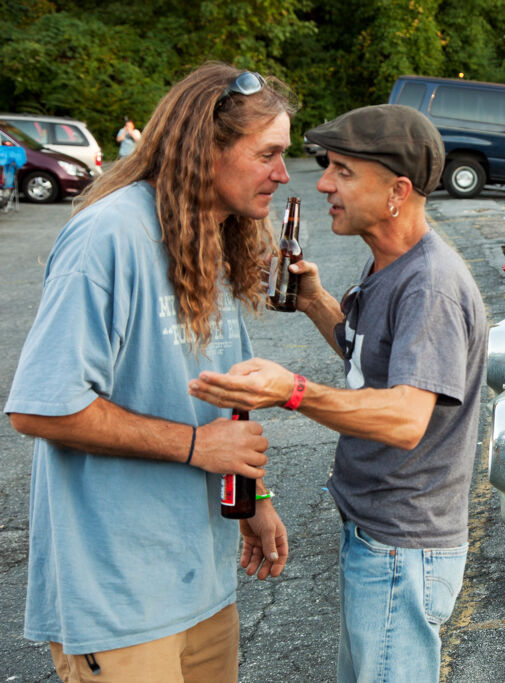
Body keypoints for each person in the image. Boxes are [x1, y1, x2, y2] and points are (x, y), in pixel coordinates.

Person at [5, 63, 294, 681]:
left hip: (201, 585)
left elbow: (225, 400)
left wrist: (254, 499)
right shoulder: (107, 236)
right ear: (203, 148)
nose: (283, 173)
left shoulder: (209, 236)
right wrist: (196, 447)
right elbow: (41, 406)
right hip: (118, 598)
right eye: (267, 153)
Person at [188, 104, 487, 683]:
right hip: (379, 537)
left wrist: (292, 390)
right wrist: (316, 303)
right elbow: (369, 360)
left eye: (344, 171)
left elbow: (405, 417)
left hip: (403, 549)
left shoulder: (431, 286)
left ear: (397, 190)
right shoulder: (391, 266)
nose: (322, 182)